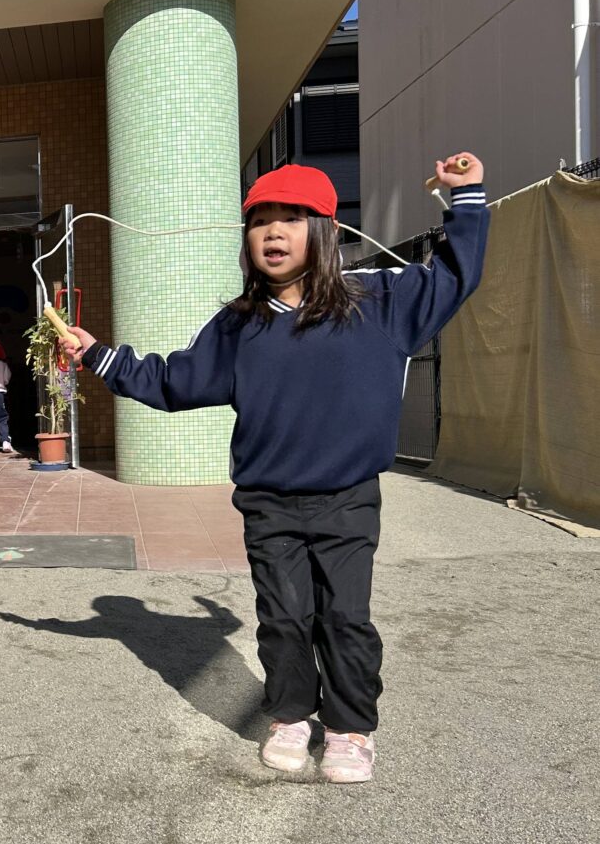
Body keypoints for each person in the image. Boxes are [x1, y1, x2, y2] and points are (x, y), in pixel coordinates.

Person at [61, 156, 488, 783]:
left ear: (326, 230)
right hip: (267, 502)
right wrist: (100, 355)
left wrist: (466, 197)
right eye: (260, 221)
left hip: (347, 498)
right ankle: (289, 715)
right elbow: (175, 381)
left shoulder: (382, 300)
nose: (274, 232)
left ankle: (349, 728)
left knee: (344, 617)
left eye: (292, 217)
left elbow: (455, 274)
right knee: (284, 617)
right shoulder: (238, 325)